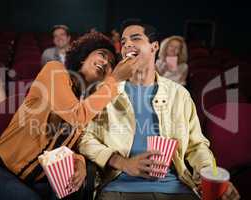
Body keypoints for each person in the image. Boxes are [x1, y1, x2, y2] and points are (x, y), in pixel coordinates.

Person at [78, 19, 240, 200]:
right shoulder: (106, 92)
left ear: (154, 47)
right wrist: (123, 163)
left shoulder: (179, 94)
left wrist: (212, 176)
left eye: (136, 38)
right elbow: (85, 138)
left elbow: (197, 146)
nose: (127, 45)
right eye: (123, 42)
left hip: (175, 188)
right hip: (120, 187)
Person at [0, 32, 140, 200]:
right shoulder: (55, 70)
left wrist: (80, 161)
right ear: (83, 57)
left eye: (111, 63)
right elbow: (76, 115)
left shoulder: (89, 102)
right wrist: (115, 79)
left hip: (37, 182)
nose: (105, 62)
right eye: (102, 55)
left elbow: (71, 146)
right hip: (0, 170)